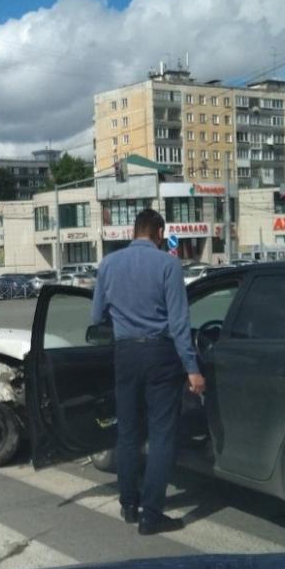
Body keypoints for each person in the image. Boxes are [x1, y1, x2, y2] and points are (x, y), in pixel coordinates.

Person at [91, 208, 206, 535]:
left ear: (133, 231)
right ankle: (152, 514)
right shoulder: (168, 265)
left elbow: (96, 313)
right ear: (158, 233)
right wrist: (192, 368)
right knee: (161, 435)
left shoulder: (109, 264)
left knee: (127, 432)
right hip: (160, 354)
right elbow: (179, 323)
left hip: (125, 354)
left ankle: (129, 504)